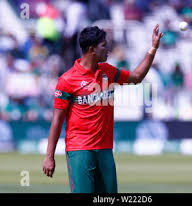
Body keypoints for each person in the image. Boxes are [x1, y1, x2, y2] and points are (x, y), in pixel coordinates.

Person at [42, 25, 163, 193]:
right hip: (80, 152)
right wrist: (49, 157)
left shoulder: (108, 71)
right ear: (92, 49)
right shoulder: (67, 80)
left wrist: (153, 48)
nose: (109, 50)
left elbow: (136, 77)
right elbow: (57, 121)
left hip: (105, 151)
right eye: (104, 46)